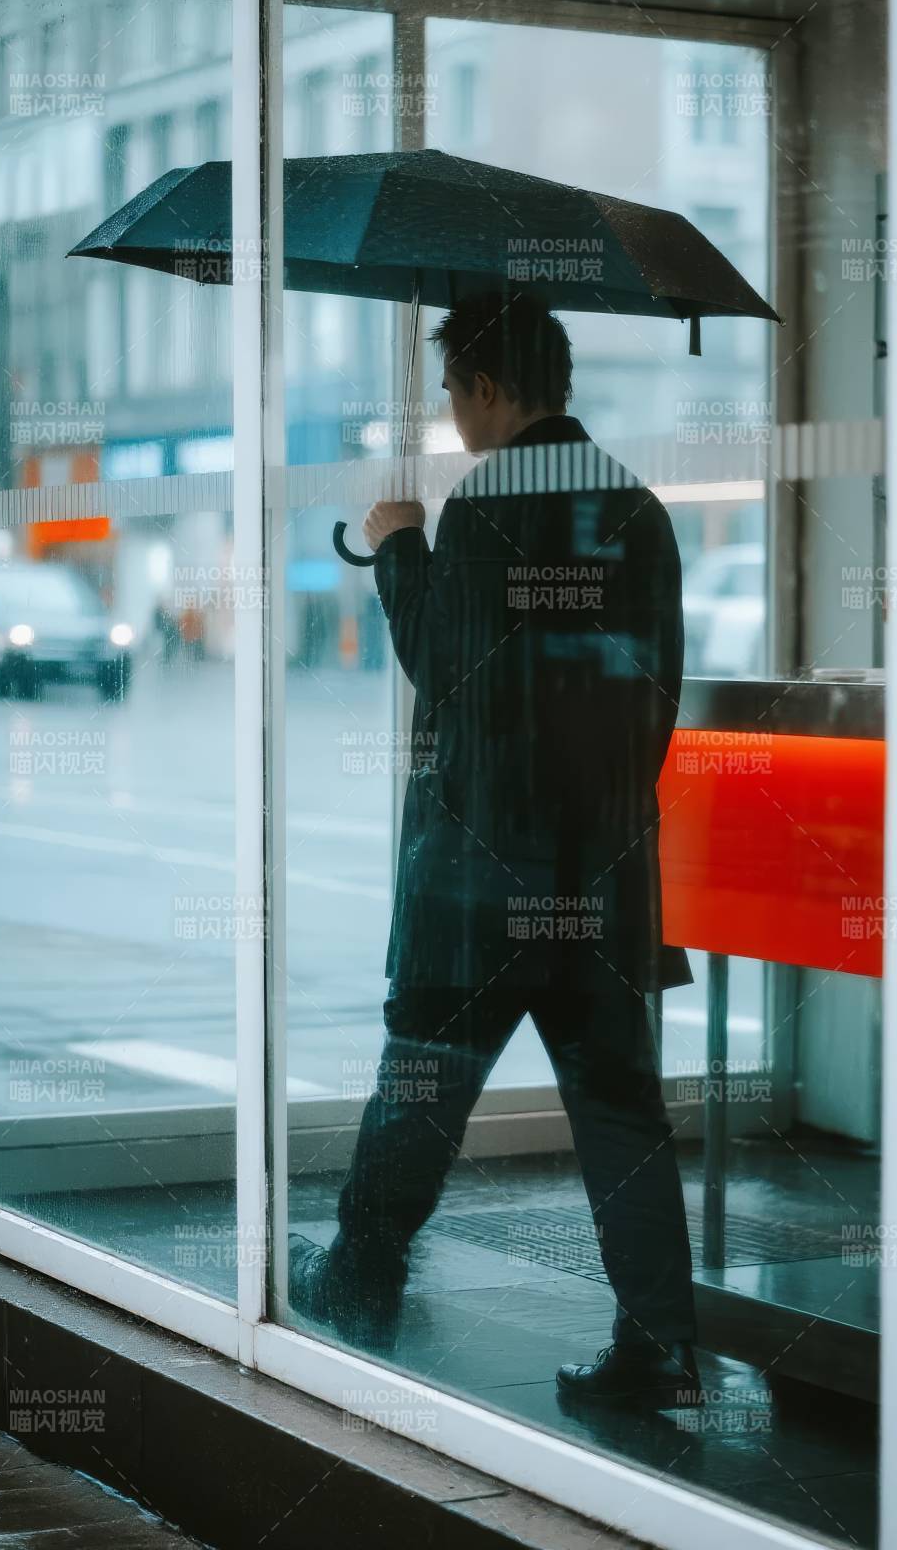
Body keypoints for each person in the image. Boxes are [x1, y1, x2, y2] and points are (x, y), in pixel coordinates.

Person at [289, 292, 700, 1408]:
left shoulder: (486, 504)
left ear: (483, 387)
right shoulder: (641, 511)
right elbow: (655, 700)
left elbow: (446, 663)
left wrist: (397, 543)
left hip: (479, 882)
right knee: (621, 1112)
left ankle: (362, 1277)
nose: (455, 415)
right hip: (603, 880)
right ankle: (661, 1349)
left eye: (453, 392)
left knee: (421, 1082)